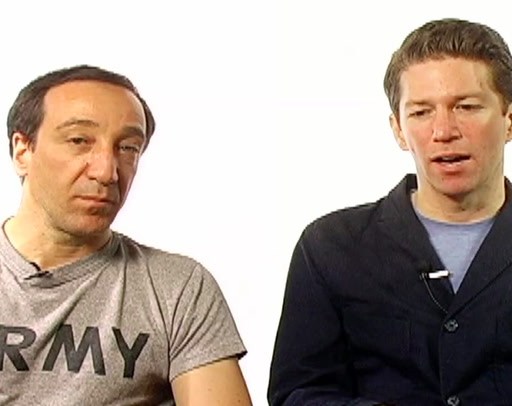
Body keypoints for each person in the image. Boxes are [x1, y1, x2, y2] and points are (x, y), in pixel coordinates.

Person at [268, 18, 512, 406]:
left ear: (508, 119)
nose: (444, 131)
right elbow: (297, 394)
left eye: (466, 107)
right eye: (421, 112)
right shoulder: (330, 247)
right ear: (398, 129)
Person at [0, 65, 252, 405]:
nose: (107, 172)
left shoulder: (177, 289)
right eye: (79, 141)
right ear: (22, 150)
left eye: (129, 148)